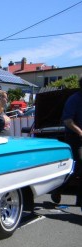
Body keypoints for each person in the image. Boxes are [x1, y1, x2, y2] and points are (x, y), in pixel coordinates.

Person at [61, 76, 82, 209]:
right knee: (79, 167)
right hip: (76, 138)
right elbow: (68, 121)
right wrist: (80, 132)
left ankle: (80, 200)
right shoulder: (74, 99)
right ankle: (57, 188)